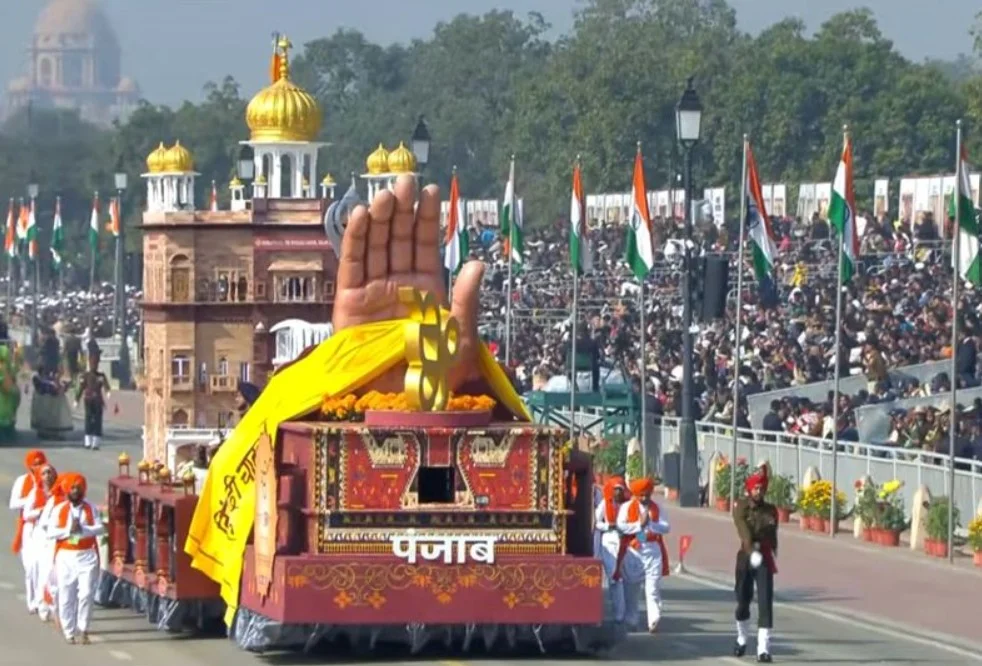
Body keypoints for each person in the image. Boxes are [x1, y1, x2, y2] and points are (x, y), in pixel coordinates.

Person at [49, 473, 104, 644]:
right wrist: (69, 531)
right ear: (67, 490)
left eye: (78, 488)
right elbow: (51, 532)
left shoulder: (90, 508)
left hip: (86, 555)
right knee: (66, 595)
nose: (75, 491)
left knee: (86, 593)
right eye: (72, 488)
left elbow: (100, 528)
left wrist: (83, 530)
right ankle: (69, 632)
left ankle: (83, 628)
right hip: (66, 556)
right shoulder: (59, 509)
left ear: (83, 490)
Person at [732, 464, 779, 663]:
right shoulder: (741, 507)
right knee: (743, 599)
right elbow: (743, 530)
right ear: (749, 489)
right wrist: (752, 551)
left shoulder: (771, 510)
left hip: (764, 557)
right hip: (746, 555)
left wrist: (773, 550)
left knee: (765, 601)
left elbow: (773, 532)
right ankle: (742, 638)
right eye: (755, 488)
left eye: (761, 488)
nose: (759, 491)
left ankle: (763, 649)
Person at [616, 477, 670, 633]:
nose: (645, 498)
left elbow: (666, 527)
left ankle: (653, 619)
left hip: (652, 550)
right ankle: (631, 619)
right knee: (631, 589)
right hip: (634, 551)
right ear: (635, 494)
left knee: (652, 588)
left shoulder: (657, 508)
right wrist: (638, 525)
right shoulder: (627, 507)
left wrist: (650, 524)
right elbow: (621, 526)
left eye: (647, 494)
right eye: (641, 495)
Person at [9, 449, 48, 613]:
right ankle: (31, 600)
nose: (38, 467)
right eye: (35, 464)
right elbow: (13, 504)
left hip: (45, 529)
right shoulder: (22, 481)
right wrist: (32, 499)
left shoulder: (49, 480)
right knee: (31, 568)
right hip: (28, 526)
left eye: (41, 463)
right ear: (29, 466)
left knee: (42, 567)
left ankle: (41, 600)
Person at [595, 476, 634, 624]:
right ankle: (618, 613)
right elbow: (596, 522)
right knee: (614, 578)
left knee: (627, 579)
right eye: (616, 490)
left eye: (620, 490)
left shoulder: (629, 505)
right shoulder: (605, 503)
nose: (618, 493)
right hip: (609, 541)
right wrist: (608, 526)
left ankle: (626, 614)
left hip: (626, 542)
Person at [33, 466, 63, 623]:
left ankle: (56, 607)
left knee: (58, 577)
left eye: (50, 473)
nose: (48, 476)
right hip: (46, 540)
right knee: (44, 575)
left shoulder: (65, 500)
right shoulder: (51, 500)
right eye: (44, 473)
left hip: (62, 543)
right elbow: (44, 523)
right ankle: (42, 606)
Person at [74, 350, 110, 450]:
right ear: (89, 364)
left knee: (98, 420)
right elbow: (81, 388)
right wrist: (77, 399)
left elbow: (106, 385)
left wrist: (107, 391)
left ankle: (96, 442)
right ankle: (88, 441)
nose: (94, 365)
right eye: (92, 363)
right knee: (88, 419)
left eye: (96, 363)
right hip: (88, 400)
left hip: (98, 401)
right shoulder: (85, 376)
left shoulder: (101, 376)